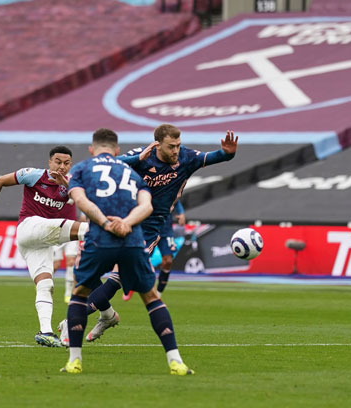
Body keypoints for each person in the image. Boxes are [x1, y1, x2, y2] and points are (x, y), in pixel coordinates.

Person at [79, 124, 237, 342]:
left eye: (178, 145)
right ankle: (107, 316)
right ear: (157, 145)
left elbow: (216, 157)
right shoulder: (140, 156)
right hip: (123, 220)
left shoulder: (187, 158)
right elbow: (109, 165)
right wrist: (137, 161)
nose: (176, 151)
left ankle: (73, 321)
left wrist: (228, 153)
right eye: (171, 146)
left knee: (117, 278)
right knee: (90, 271)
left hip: (150, 228)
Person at [60, 128, 193, 376]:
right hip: (132, 240)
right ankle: (176, 361)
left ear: (92, 149)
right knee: (152, 298)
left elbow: (81, 201)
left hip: (100, 240)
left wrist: (105, 223)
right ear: (117, 151)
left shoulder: (82, 168)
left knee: (79, 294)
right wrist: (127, 224)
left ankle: (75, 361)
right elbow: (147, 205)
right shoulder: (132, 172)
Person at [0, 146, 89, 347]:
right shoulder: (33, 175)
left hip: (43, 241)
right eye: (58, 161)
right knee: (91, 230)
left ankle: (45, 332)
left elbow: (85, 203)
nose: (62, 166)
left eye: (66, 163)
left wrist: (69, 186)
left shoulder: (73, 184)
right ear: (49, 162)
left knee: (46, 284)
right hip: (29, 228)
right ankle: (120, 235)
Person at [122, 202, 185, 300]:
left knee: (168, 260)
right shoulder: (147, 188)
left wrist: (181, 212)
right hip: (150, 228)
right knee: (141, 259)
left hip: (166, 230)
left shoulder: (168, 187)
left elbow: (175, 197)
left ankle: (159, 293)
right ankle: (132, 285)